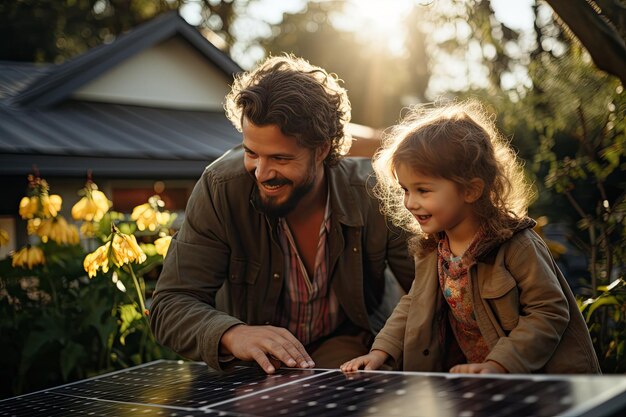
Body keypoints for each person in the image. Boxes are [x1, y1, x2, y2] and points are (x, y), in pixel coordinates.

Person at [149, 55, 415, 374]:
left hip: (349, 359)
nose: (261, 173)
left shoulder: (374, 193)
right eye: (251, 153)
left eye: (280, 158)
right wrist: (233, 334)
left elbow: (428, 288)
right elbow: (170, 304)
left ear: (322, 150)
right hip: (256, 369)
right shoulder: (220, 188)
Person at [340, 100, 601, 374]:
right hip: (476, 381)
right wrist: (380, 352)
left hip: (539, 382)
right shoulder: (434, 250)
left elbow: (548, 312)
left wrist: (499, 364)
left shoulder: (516, 245)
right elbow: (412, 306)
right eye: (405, 190)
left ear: (471, 190)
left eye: (423, 190)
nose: (410, 202)